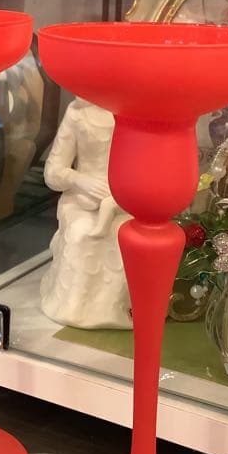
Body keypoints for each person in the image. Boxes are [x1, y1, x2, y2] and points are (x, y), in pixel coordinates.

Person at [40, 98, 131, 329]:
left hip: (125, 195)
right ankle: (75, 307)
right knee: (82, 233)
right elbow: (52, 171)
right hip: (81, 199)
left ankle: (120, 308)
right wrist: (80, 180)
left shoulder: (132, 108)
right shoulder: (78, 113)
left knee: (124, 233)